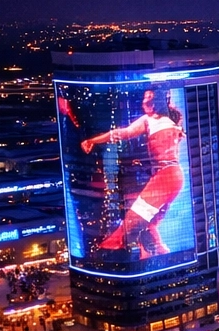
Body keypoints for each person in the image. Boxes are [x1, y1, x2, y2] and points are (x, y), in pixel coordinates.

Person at [78, 88, 188, 258]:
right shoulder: (172, 123)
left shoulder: (149, 120)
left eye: (150, 97)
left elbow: (123, 133)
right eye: (145, 98)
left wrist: (93, 140)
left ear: (159, 101)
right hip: (171, 177)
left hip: (166, 178)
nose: (145, 102)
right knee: (148, 225)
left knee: (129, 227)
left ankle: (106, 258)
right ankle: (160, 258)